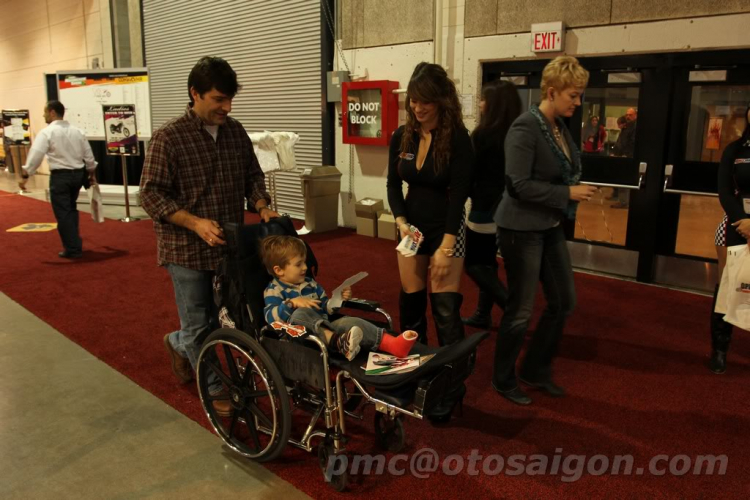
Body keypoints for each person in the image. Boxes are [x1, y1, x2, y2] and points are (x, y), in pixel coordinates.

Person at [139, 56, 279, 416]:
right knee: (200, 321)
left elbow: (252, 177)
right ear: (195, 94)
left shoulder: (235, 132)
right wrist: (194, 222)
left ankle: (176, 342)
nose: (226, 107)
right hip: (184, 249)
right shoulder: (168, 138)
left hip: (227, 247)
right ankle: (216, 386)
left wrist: (262, 204)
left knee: (222, 316)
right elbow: (151, 194)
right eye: (218, 99)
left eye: (230, 99)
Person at [492, 56, 596, 406]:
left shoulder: (556, 127)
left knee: (564, 301)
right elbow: (517, 184)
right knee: (520, 310)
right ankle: (503, 378)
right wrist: (567, 193)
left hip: (547, 225)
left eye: (579, 95)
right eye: (573, 95)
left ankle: (534, 368)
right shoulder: (525, 127)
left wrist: (567, 192)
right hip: (520, 228)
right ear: (551, 92)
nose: (577, 102)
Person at [386, 62, 474, 348]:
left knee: (445, 310)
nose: (418, 108)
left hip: (447, 229)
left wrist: (447, 246)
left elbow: (460, 194)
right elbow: (392, 184)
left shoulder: (459, 138)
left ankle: (452, 382)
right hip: (411, 230)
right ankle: (416, 368)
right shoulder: (402, 136)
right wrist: (400, 223)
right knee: (410, 307)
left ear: (441, 100)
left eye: (426, 101)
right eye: (413, 100)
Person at [261, 236, 417, 361]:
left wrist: (337, 299)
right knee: (299, 314)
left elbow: (325, 308)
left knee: (350, 322)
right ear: (279, 270)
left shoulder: (310, 284)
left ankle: (393, 344)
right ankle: (338, 342)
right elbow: (271, 318)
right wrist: (291, 303)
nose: (305, 268)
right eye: (298, 264)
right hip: (299, 339)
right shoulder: (274, 291)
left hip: (326, 327)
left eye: (304, 262)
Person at [462, 80, 522, 328]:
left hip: (484, 208)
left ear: (494, 105)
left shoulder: (483, 135)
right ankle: (483, 314)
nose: (480, 103)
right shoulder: (517, 134)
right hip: (508, 209)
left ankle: (511, 307)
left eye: (484, 99)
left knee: (473, 263)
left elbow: (471, 174)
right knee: (487, 262)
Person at [20, 100, 97, 259]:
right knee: (71, 209)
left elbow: (36, 155)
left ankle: (73, 248)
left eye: (45, 112)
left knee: (63, 213)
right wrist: (91, 174)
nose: (43, 115)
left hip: (61, 177)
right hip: (78, 175)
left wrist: (26, 175)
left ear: (53, 112)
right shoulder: (77, 131)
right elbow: (88, 155)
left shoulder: (47, 132)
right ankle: (75, 242)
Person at [712, 105, 750, 374]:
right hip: (736, 224)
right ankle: (719, 349)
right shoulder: (735, 150)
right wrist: (745, 222)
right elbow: (725, 192)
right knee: (727, 288)